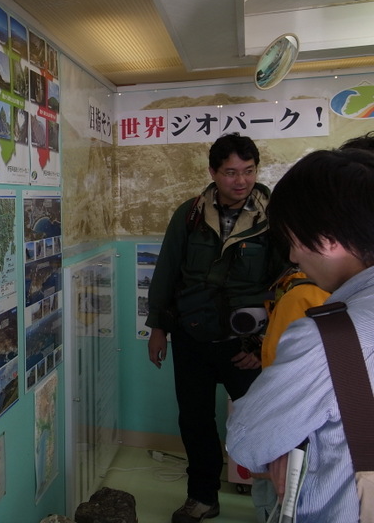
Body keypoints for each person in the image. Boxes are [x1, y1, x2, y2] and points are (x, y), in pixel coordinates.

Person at [227, 148, 374, 522]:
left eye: (294, 239)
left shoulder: (330, 336)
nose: (293, 256)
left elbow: (247, 440)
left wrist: (287, 440)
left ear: (326, 238)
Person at [146, 133, 284, 523]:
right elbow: (167, 272)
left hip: (246, 344)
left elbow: (286, 284)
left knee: (263, 422)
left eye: (249, 171)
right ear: (212, 172)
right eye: (230, 172)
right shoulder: (190, 214)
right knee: (195, 421)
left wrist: (262, 344)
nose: (241, 181)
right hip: (192, 336)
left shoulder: (274, 218)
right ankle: (202, 497)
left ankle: (272, 505)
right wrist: (158, 328)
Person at [249, 265, 330, 522]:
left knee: (279, 502)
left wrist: (274, 444)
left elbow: (282, 376)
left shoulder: (299, 296)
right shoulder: (348, 292)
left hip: (293, 435)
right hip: (324, 436)